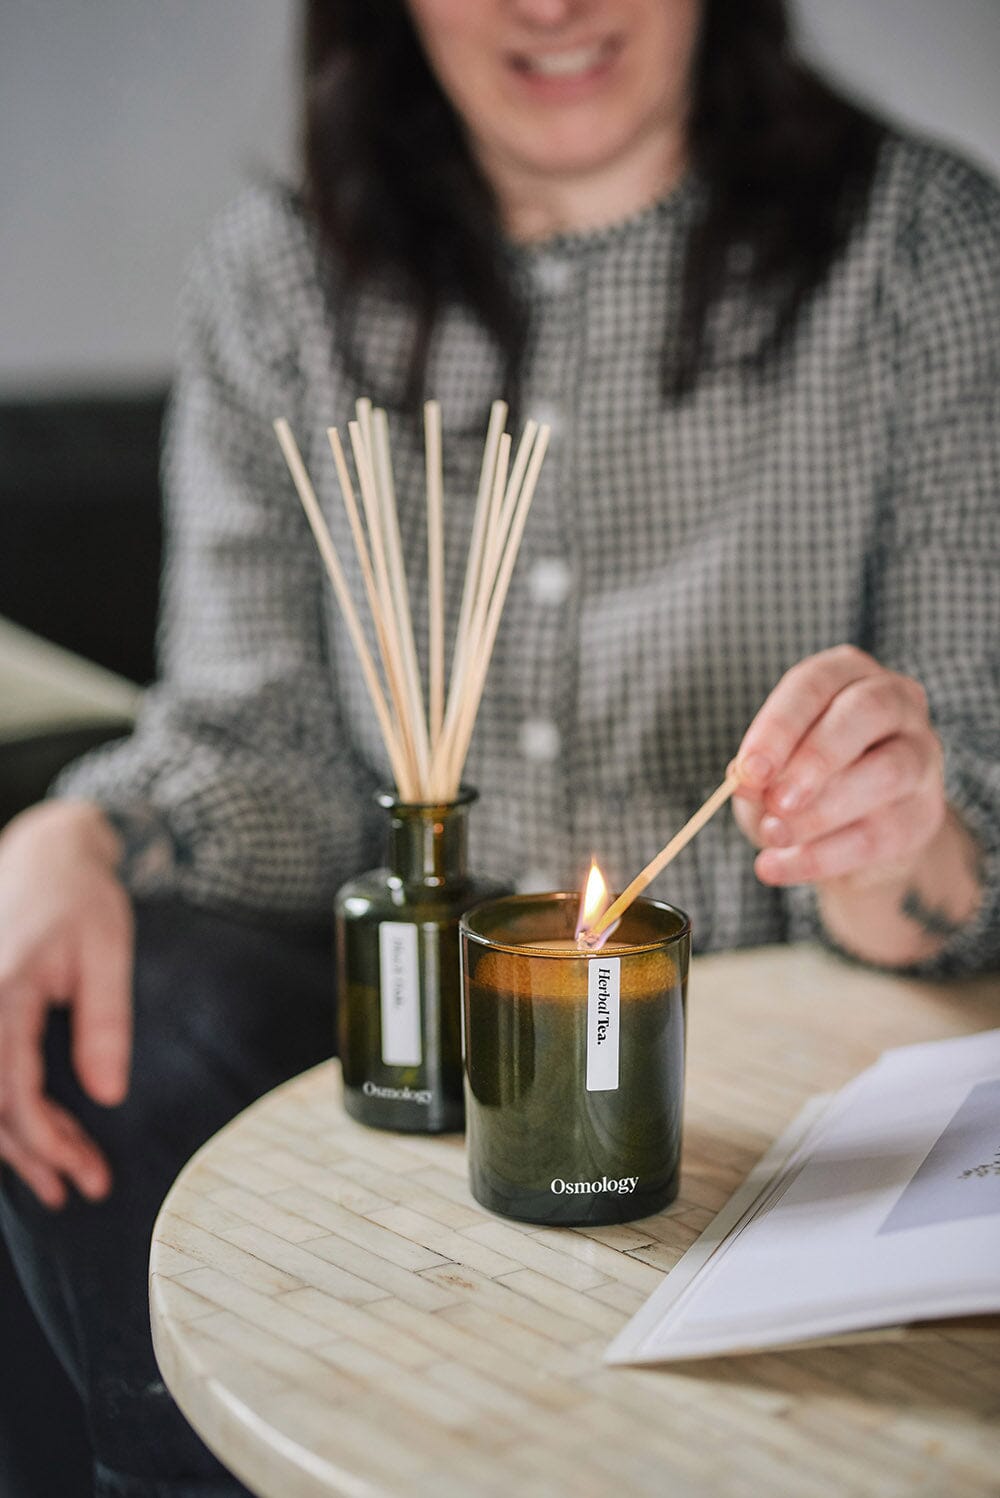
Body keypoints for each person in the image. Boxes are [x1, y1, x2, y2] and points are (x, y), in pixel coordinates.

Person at [1, 0, 998, 1492]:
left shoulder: (926, 252)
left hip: (776, 1044)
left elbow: (956, 859)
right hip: (384, 1064)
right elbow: (262, 751)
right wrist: (76, 833)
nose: (551, 5)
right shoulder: (282, 283)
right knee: (108, 1022)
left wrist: (893, 830)